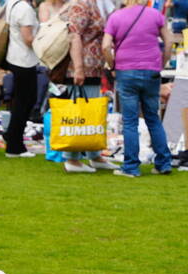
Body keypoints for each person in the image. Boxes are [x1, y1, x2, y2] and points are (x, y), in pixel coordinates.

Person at [102, 0, 172, 177]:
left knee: (130, 121)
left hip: (126, 71)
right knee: (153, 118)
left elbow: (105, 46)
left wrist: (112, 65)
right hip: (151, 70)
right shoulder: (155, 15)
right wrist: (162, 62)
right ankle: (163, 163)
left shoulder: (115, 17)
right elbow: (169, 41)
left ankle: (131, 166)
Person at [59, 0, 118, 173]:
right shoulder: (81, 5)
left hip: (92, 69)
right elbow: (74, 35)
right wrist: (78, 68)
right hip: (81, 69)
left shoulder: (95, 4)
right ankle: (72, 158)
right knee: (78, 115)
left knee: (91, 115)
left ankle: (95, 155)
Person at [4, 0, 39, 158]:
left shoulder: (12, 4)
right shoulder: (25, 8)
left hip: (16, 57)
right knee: (25, 102)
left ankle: (12, 136)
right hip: (24, 60)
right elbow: (28, 39)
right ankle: (14, 144)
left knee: (23, 101)